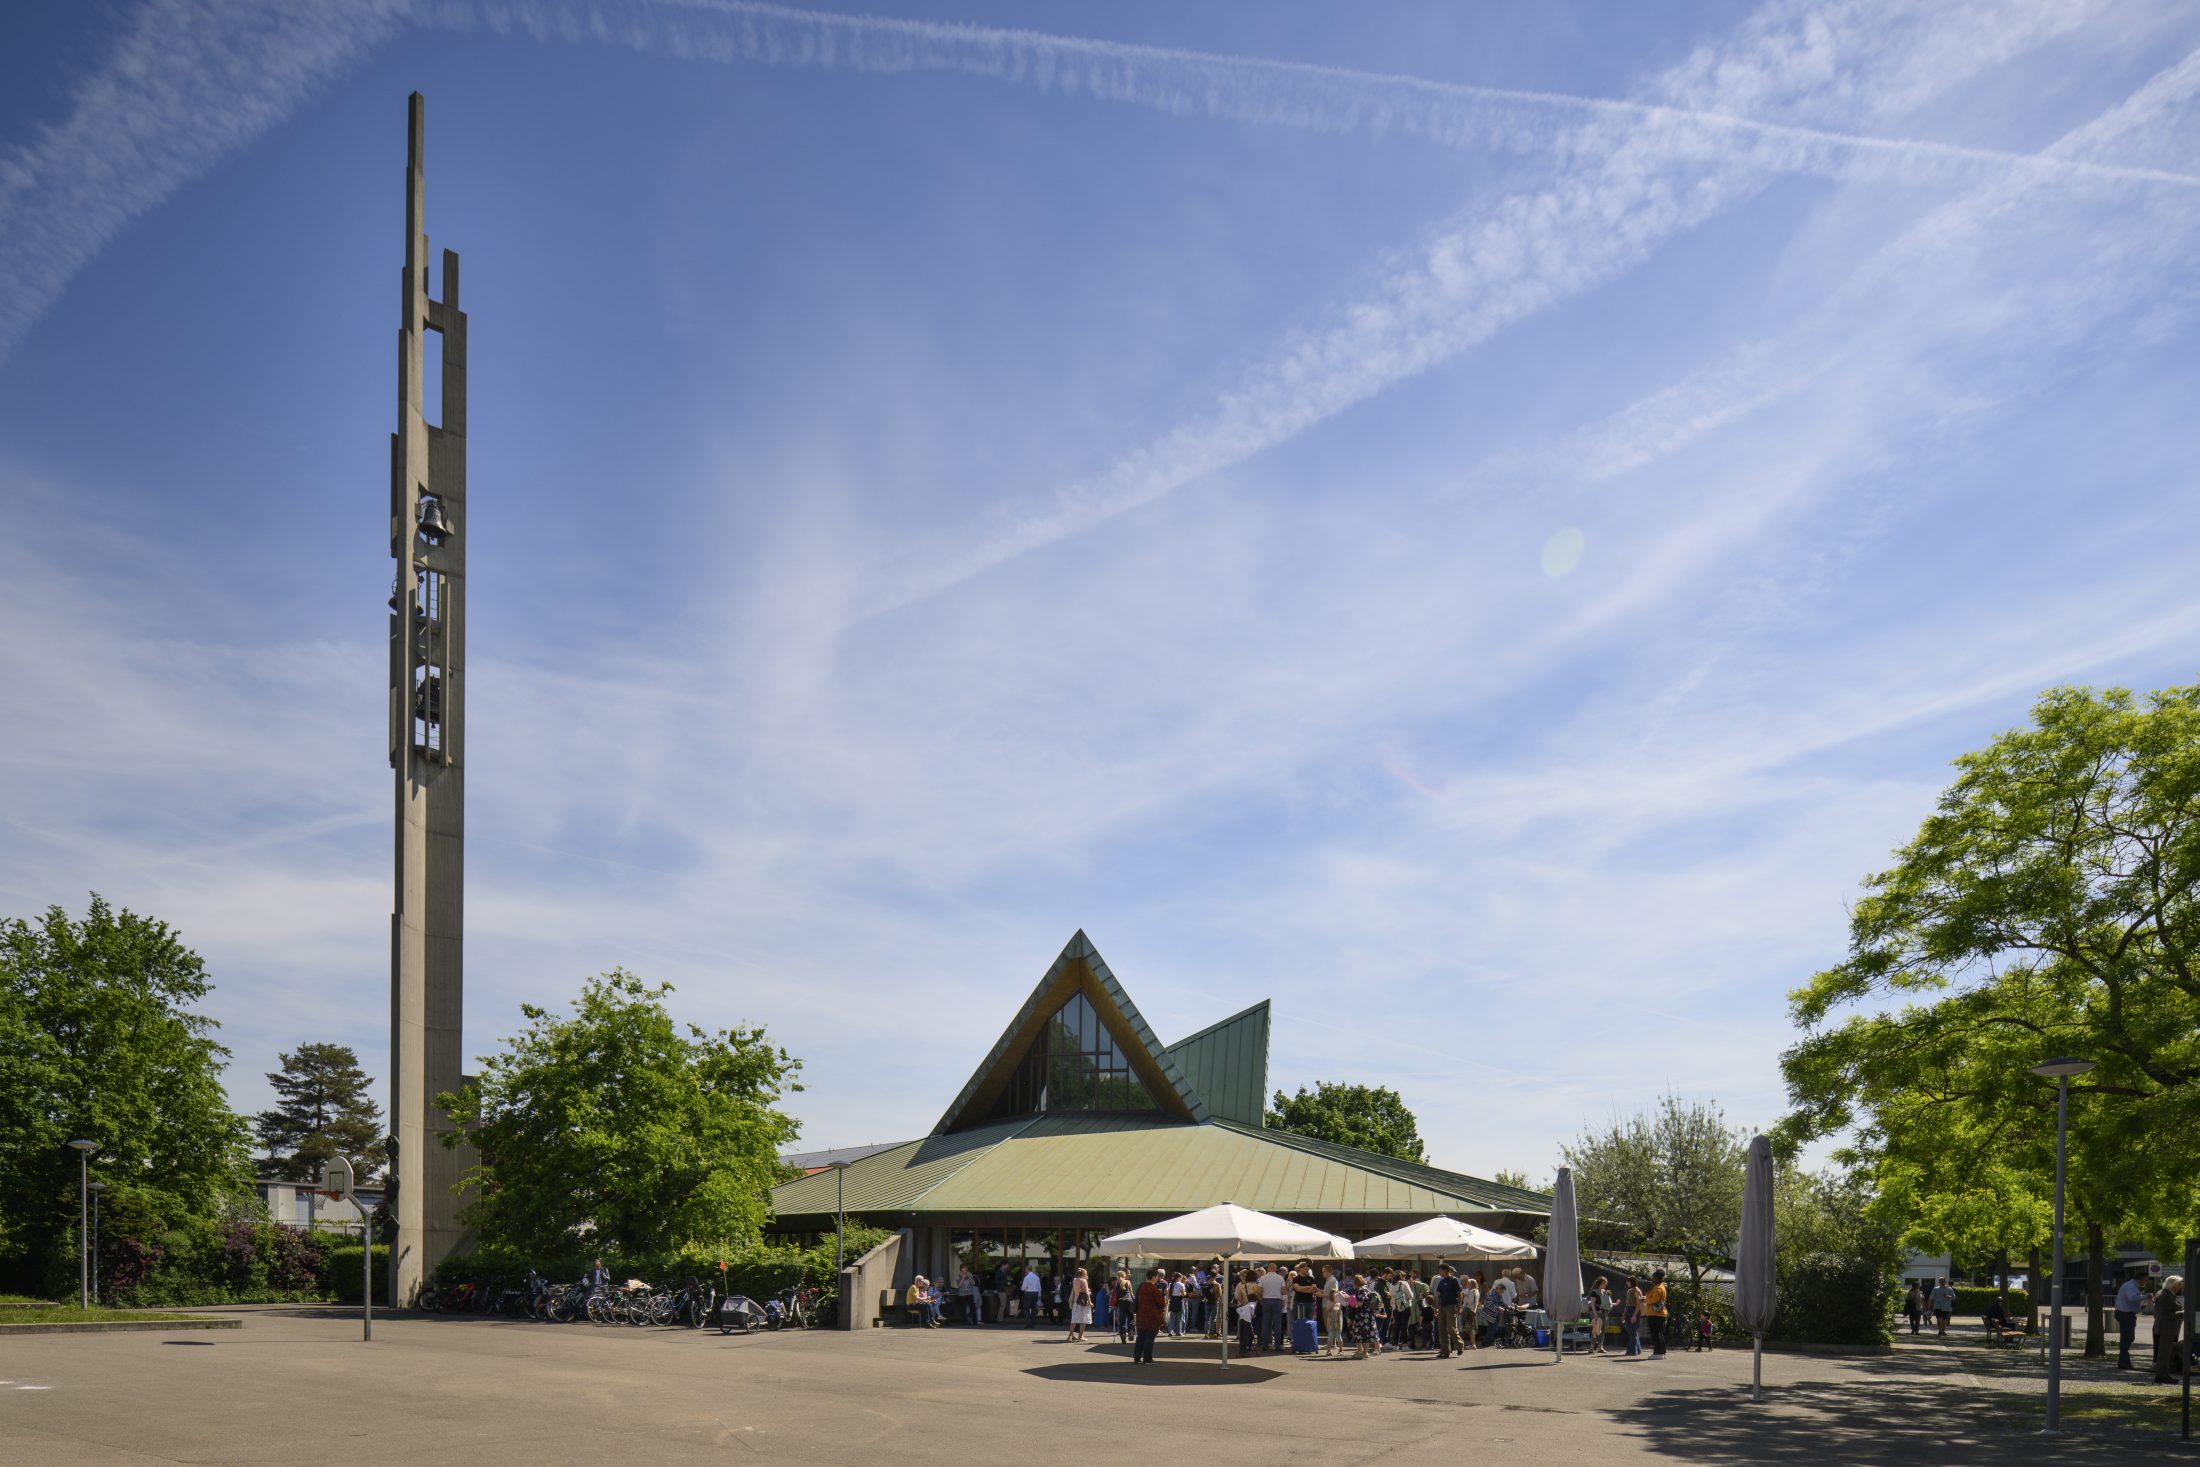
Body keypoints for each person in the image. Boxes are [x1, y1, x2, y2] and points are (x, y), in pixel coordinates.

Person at [2155, 1274, 2187, 1385]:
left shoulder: (2168, 1294)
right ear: (2172, 1284)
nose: (2181, 1287)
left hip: (2169, 1328)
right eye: (2179, 1284)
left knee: (2167, 1352)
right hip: (2167, 1328)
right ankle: (2160, 1376)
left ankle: (2164, 1374)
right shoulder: (2166, 1295)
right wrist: (2181, 1314)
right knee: (2164, 1353)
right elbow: (2165, 1314)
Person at [1133, 1268, 1167, 1364]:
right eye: (1156, 1277)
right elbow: (1161, 1303)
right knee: (1149, 1338)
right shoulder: (1153, 1288)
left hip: (1141, 1315)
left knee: (1140, 1337)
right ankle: (1147, 1358)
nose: (1157, 1279)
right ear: (1153, 1277)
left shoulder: (1141, 1286)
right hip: (1151, 1317)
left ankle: (1137, 1357)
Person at [2115, 1274, 2146, 1369]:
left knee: (2128, 1338)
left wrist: (2138, 1307)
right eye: (2146, 1280)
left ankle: (2124, 1361)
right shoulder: (2130, 1286)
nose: (2146, 1282)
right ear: (2141, 1279)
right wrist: (2146, 1296)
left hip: (2126, 1313)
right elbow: (2132, 1297)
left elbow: (2130, 1299)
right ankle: (2124, 1362)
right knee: (2127, 1338)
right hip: (2126, 1314)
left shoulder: (2130, 1285)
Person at [1433, 1264, 1464, 1359]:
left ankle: (1460, 1345)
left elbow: (1459, 1293)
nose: (1439, 1272)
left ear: (1447, 1271)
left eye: (1441, 1270)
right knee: (1441, 1329)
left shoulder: (1454, 1280)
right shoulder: (1442, 1281)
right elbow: (1439, 1295)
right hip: (1442, 1306)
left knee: (1450, 1328)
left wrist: (1459, 1306)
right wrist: (1436, 1307)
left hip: (1451, 1306)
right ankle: (1445, 1351)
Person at [1259, 1262, 1289, 1354]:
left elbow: (1259, 1291)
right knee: (1278, 1324)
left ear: (1268, 1269)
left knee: (1265, 1324)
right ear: (1276, 1269)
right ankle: (1277, 1346)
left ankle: (1264, 1345)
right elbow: (1284, 1292)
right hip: (1277, 1301)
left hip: (1266, 1301)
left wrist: (1262, 1299)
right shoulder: (1280, 1278)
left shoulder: (1262, 1278)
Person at [1644, 1270, 1669, 1357]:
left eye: (1653, 1277)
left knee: (1656, 1334)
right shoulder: (1660, 1286)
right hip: (1659, 1314)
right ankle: (1662, 1351)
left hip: (1655, 1314)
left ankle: (1658, 1353)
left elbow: (1654, 1300)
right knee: (1659, 1333)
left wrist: (1646, 1300)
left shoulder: (1658, 1288)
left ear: (1658, 1278)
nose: (1652, 1278)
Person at [1067, 1267, 1093, 1342]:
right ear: (1083, 1274)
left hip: (1076, 1301)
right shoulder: (1084, 1281)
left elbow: (1074, 1291)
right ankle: (1080, 1336)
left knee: (1074, 1319)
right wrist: (1090, 1302)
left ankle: (1070, 1336)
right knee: (1083, 1320)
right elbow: (1086, 1293)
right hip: (1083, 1303)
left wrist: (1070, 1301)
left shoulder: (1074, 1280)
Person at [1587, 1275, 1610, 1355]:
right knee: (1595, 1329)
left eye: (1606, 1283)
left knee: (1602, 1330)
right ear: (1600, 1283)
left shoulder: (1604, 1292)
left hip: (1604, 1312)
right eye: (1604, 1283)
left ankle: (1600, 1346)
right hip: (1596, 1313)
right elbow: (1592, 1304)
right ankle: (1591, 1347)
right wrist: (1595, 1314)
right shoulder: (1594, 1292)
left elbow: (1607, 1302)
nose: (1605, 1285)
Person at [1460, 1271, 1482, 1351]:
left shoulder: (1472, 1291)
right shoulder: (1476, 1291)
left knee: (1470, 1328)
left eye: (1468, 1283)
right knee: (1470, 1328)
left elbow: (1469, 1302)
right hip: (1472, 1311)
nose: (1467, 1285)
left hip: (1469, 1311)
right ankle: (1472, 1344)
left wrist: (1464, 1296)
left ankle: (1473, 1344)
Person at [1622, 1277, 1643, 1357]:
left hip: (1633, 1310)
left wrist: (1634, 1315)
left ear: (1631, 1282)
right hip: (1628, 1310)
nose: (1626, 1283)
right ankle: (1637, 1349)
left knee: (1633, 1332)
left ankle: (1632, 1350)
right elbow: (1627, 1303)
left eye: (1628, 1281)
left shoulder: (1636, 1290)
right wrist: (1624, 1313)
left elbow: (1638, 1304)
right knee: (1633, 1331)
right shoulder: (1629, 1290)